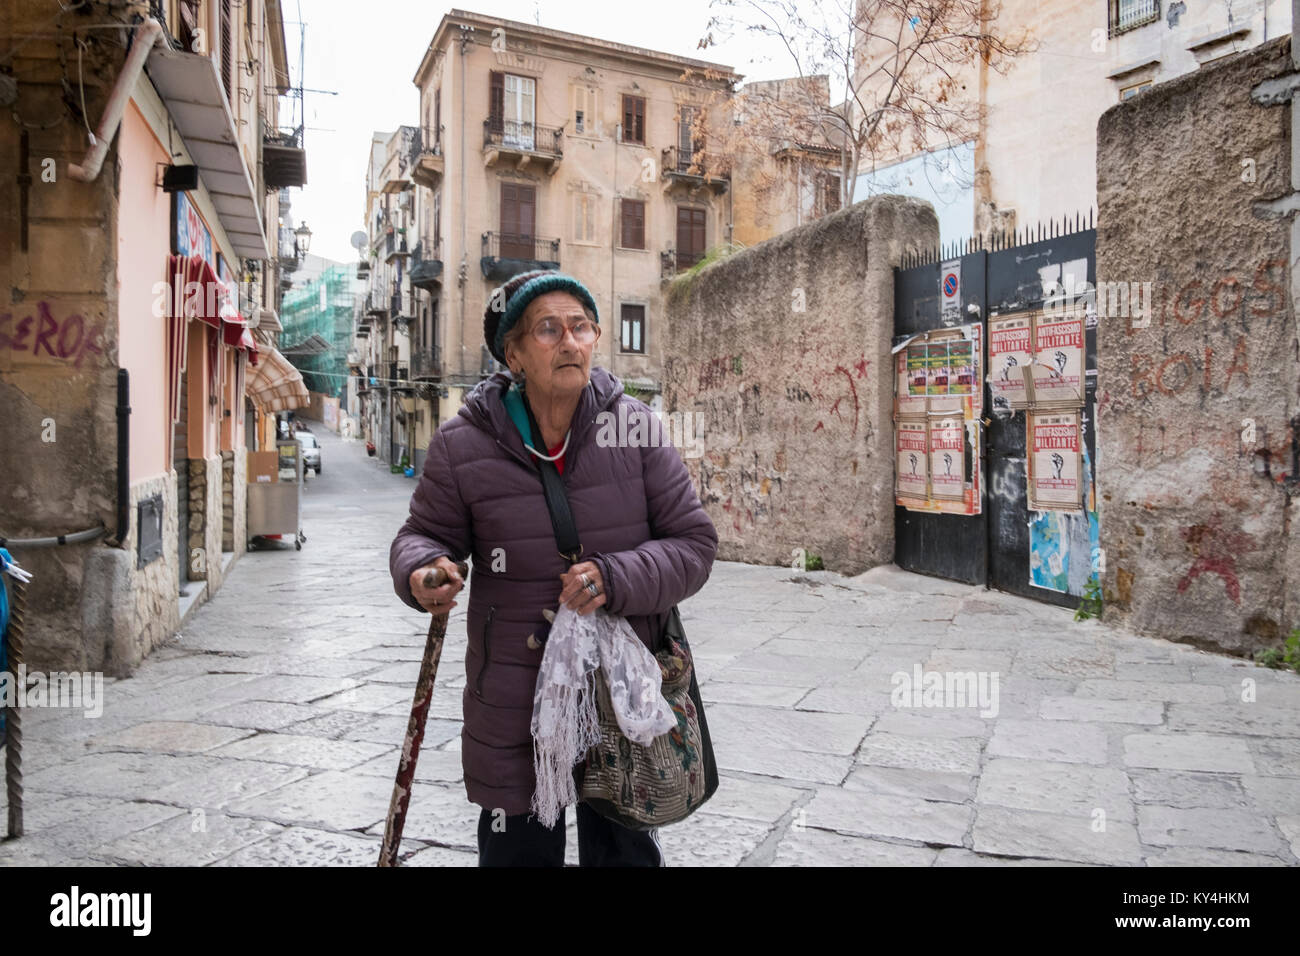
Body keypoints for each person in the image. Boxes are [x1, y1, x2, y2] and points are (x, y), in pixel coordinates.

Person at [389, 270, 718, 867]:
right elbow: (423, 535)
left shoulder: (636, 428)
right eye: (548, 329)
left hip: (620, 693)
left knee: (624, 852)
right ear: (512, 353)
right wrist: (423, 570)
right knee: (517, 852)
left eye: (581, 326)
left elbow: (694, 545)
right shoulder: (464, 444)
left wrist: (614, 578)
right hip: (513, 692)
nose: (570, 341)